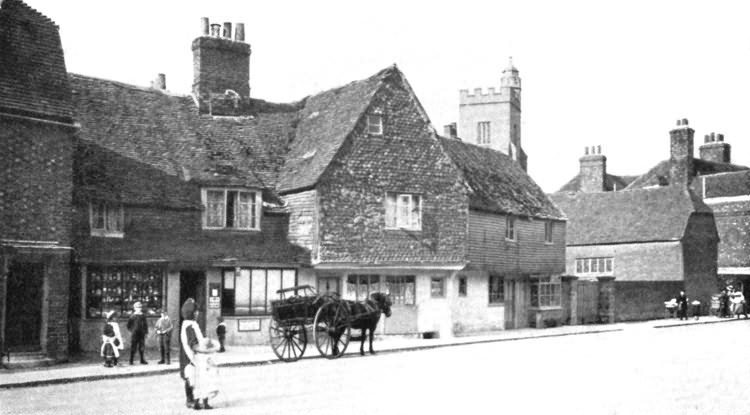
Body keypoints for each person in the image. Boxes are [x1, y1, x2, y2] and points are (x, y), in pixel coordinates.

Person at [181, 298, 219, 410]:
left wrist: (205, 341)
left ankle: (197, 399)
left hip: (195, 355)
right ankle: (191, 399)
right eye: (196, 311)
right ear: (191, 313)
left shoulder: (192, 324)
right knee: (192, 377)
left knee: (194, 377)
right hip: (191, 355)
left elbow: (198, 338)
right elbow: (193, 343)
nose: (197, 313)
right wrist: (205, 349)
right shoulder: (189, 325)